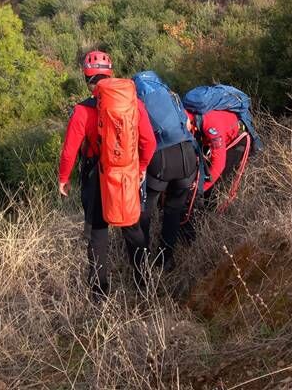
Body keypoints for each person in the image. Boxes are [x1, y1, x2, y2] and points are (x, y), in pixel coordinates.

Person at [58, 51, 156, 298]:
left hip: (95, 179)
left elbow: (69, 149)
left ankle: (100, 294)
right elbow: (149, 142)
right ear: (110, 74)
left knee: (97, 234)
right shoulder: (133, 102)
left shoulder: (82, 111)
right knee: (132, 227)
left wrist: (63, 178)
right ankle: (144, 283)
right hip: (125, 176)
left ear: (87, 78)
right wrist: (141, 167)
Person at [141, 138, 199, 271]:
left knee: (145, 209)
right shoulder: (176, 116)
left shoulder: (144, 115)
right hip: (187, 159)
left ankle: (143, 260)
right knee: (174, 210)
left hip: (160, 161)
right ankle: (165, 260)